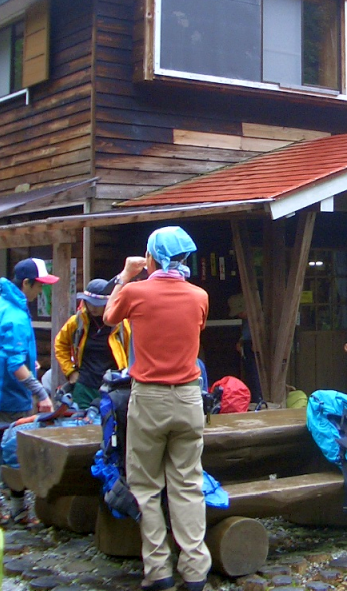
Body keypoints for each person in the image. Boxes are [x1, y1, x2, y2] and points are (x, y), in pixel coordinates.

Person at [103, 226, 211, 591]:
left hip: (149, 397)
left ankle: (159, 571)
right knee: (187, 484)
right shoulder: (199, 296)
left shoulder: (135, 291)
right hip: (189, 397)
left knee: (146, 485)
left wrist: (126, 274)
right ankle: (195, 570)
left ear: (152, 257)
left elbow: (108, 317)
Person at [0, 258, 58, 526]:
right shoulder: (16, 315)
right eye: (38, 286)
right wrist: (41, 393)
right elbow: (14, 364)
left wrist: (30, 363)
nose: (40, 291)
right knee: (15, 450)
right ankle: (19, 511)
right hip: (7, 395)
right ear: (26, 283)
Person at [54, 279, 132, 410]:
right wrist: (70, 371)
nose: (94, 307)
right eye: (90, 303)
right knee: (81, 425)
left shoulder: (120, 325)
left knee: (110, 426)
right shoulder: (77, 321)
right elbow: (60, 344)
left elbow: (131, 352)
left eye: (99, 304)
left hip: (112, 386)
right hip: (84, 385)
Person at [228, 293, 262, 404]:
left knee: (256, 375)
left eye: (240, 312)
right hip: (248, 347)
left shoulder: (259, 317)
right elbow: (246, 333)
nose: (239, 316)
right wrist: (241, 341)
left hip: (256, 349)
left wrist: (257, 342)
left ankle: (259, 399)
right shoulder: (247, 320)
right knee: (251, 375)